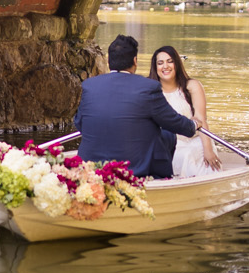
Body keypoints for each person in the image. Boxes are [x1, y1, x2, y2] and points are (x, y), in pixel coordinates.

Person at [74, 34, 200, 179]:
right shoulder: (148, 87)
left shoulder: (89, 85)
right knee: (167, 134)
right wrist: (193, 125)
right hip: (134, 169)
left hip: (91, 167)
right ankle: (158, 176)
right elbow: (173, 122)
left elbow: (79, 123)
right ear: (135, 61)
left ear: (109, 62)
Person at [152, 45, 221, 176]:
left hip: (194, 140)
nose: (165, 66)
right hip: (167, 143)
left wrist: (208, 149)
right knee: (180, 155)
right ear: (156, 68)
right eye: (160, 63)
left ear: (177, 64)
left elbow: (201, 120)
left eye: (170, 61)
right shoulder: (151, 90)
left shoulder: (192, 86)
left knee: (191, 155)